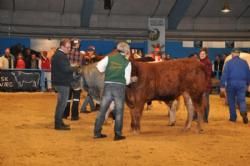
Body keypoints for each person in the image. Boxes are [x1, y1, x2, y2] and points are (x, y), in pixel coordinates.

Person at [93, 42, 133, 141]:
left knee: (102, 110)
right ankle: (117, 134)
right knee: (119, 111)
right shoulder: (127, 63)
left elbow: (99, 67)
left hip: (108, 86)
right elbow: (127, 81)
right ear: (127, 51)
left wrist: (108, 71)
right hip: (119, 88)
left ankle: (97, 132)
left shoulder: (109, 58)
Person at [51, 38, 79, 130]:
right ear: (62, 46)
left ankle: (59, 122)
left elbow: (64, 68)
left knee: (61, 103)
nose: (69, 49)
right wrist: (74, 67)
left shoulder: (59, 55)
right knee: (62, 104)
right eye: (67, 47)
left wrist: (70, 66)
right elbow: (66, 69)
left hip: (60, 82)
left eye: (70, 47)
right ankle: (58, 124)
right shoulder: (60, 56)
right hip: (62, 83)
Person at [220, 48, 250, 124]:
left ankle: (233, 118)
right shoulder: (244, 62)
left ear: (232, 54)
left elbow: (225, 75)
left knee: (231, 101)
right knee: (242, 99)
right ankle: (243, 112)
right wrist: (249, 84)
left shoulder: (228, 63)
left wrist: (222, 86)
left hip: (231, 83)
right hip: (242, 84)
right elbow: (248, 74)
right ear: (239, 54)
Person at [63, 49, 82, 121]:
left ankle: (65, 114)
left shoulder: (66, 55)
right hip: (77, 82)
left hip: (67, 81)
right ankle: (74, 116)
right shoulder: (80, 55)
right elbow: (81, 68)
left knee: (67, 99)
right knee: (76, 100)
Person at [198, 48, 212, 123]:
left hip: (205, 85)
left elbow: (208, 74)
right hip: (198, 85)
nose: (201, 55)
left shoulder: (207, 62)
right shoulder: (199, 61)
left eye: (203, 54)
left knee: (205, 102)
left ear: (206, 55)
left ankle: (205, 118)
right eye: (200, 54)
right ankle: (195, 116)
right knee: (197, 101)